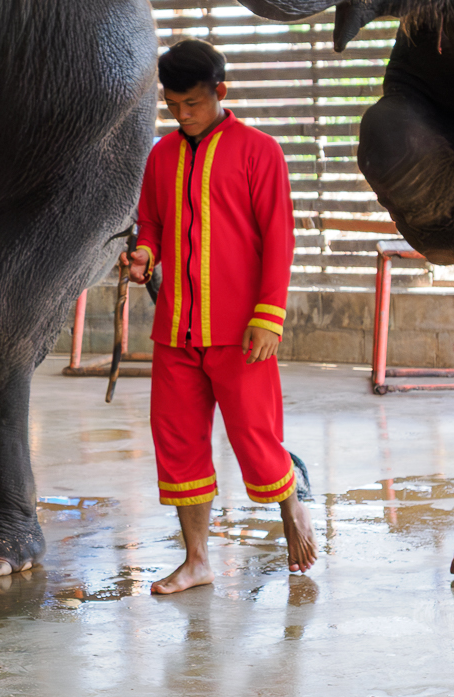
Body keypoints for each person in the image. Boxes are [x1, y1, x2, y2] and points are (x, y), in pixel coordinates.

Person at [126, 39, 317, 593]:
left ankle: (291, 510)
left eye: (193, 104)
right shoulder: (160, 156)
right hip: (175, 331)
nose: (183, 116)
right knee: (178, 441)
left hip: (241, 331)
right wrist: (144, 254)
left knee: (256, 437)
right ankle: (196, 560)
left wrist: (268, 317)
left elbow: (278, 240)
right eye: (173, 106)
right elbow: (153, 224)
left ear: (221, 93)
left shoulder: (261, 152)